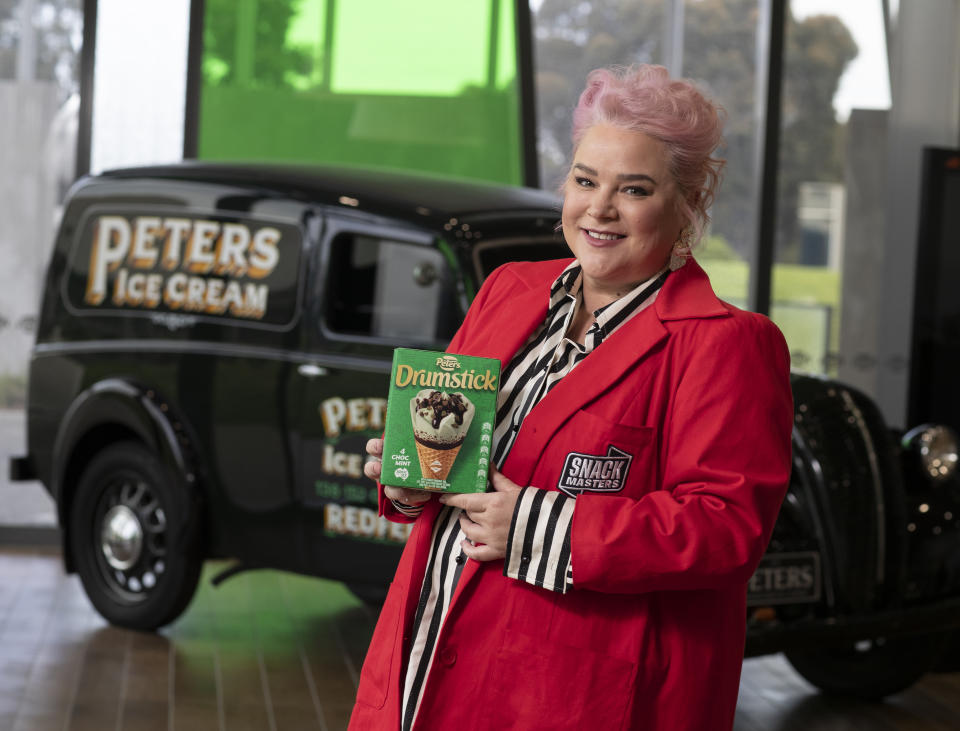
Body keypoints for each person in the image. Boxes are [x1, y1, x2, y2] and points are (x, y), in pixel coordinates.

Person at [348, 64, 793, 731]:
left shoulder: (727, 343)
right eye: (585, 180)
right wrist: (412, 480)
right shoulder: (508, 290)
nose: (599, 208)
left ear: (688, 200)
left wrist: (531, 524)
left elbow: (724, 527)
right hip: (423, 659)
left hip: (573, 697)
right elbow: (452, 454)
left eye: (633, 189)